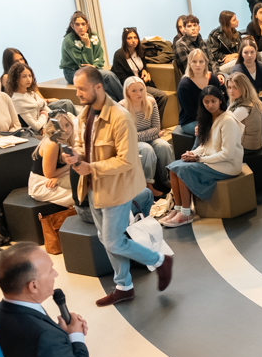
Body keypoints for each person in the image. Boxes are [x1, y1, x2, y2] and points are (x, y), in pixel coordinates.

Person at [64, 67, 171, 303]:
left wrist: (92, 167)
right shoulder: (84, 115)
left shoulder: (121, 117)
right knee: (105, 238)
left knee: (113, 240)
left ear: (98, 87)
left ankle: (159, 260)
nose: (78, 94)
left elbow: (127, 160)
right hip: (93, 187)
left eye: (81, 88)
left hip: (117, 188)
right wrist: (75, 156)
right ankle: (124, 286)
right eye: (76, 88)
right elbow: (85, 149)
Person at [162, 87, 243, 228]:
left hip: (228, 165)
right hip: (213, 160)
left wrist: (199, 159)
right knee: (174, 168)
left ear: (220, 100)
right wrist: (193, 154)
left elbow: (227, 154)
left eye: (213, 101)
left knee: (183, 170)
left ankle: (186, 214)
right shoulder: (208, 118)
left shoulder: (228, 120)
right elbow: (206, 146)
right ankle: (178, 209)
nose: (210, 105)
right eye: (206, 102)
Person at [29, 113, 76, 208]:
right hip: (43, 183)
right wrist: (70, 165)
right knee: (81, 196)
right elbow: (49, 174)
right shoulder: (52, 144)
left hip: (57, 177)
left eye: (67, 125)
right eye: (60, 127)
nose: (65, 130)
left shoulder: (68, 139)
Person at [177, 48, 222, 135]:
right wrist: (210, 121)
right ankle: (195, 149)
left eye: (201, 61)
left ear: (205, 63)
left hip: (213, 116)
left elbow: (220, 100)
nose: (198, 65)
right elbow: (190, 112)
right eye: (194, 62)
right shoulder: (184, 84)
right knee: (204, 128)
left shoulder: (213, 79)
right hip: (190, 120)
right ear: (189, 64)